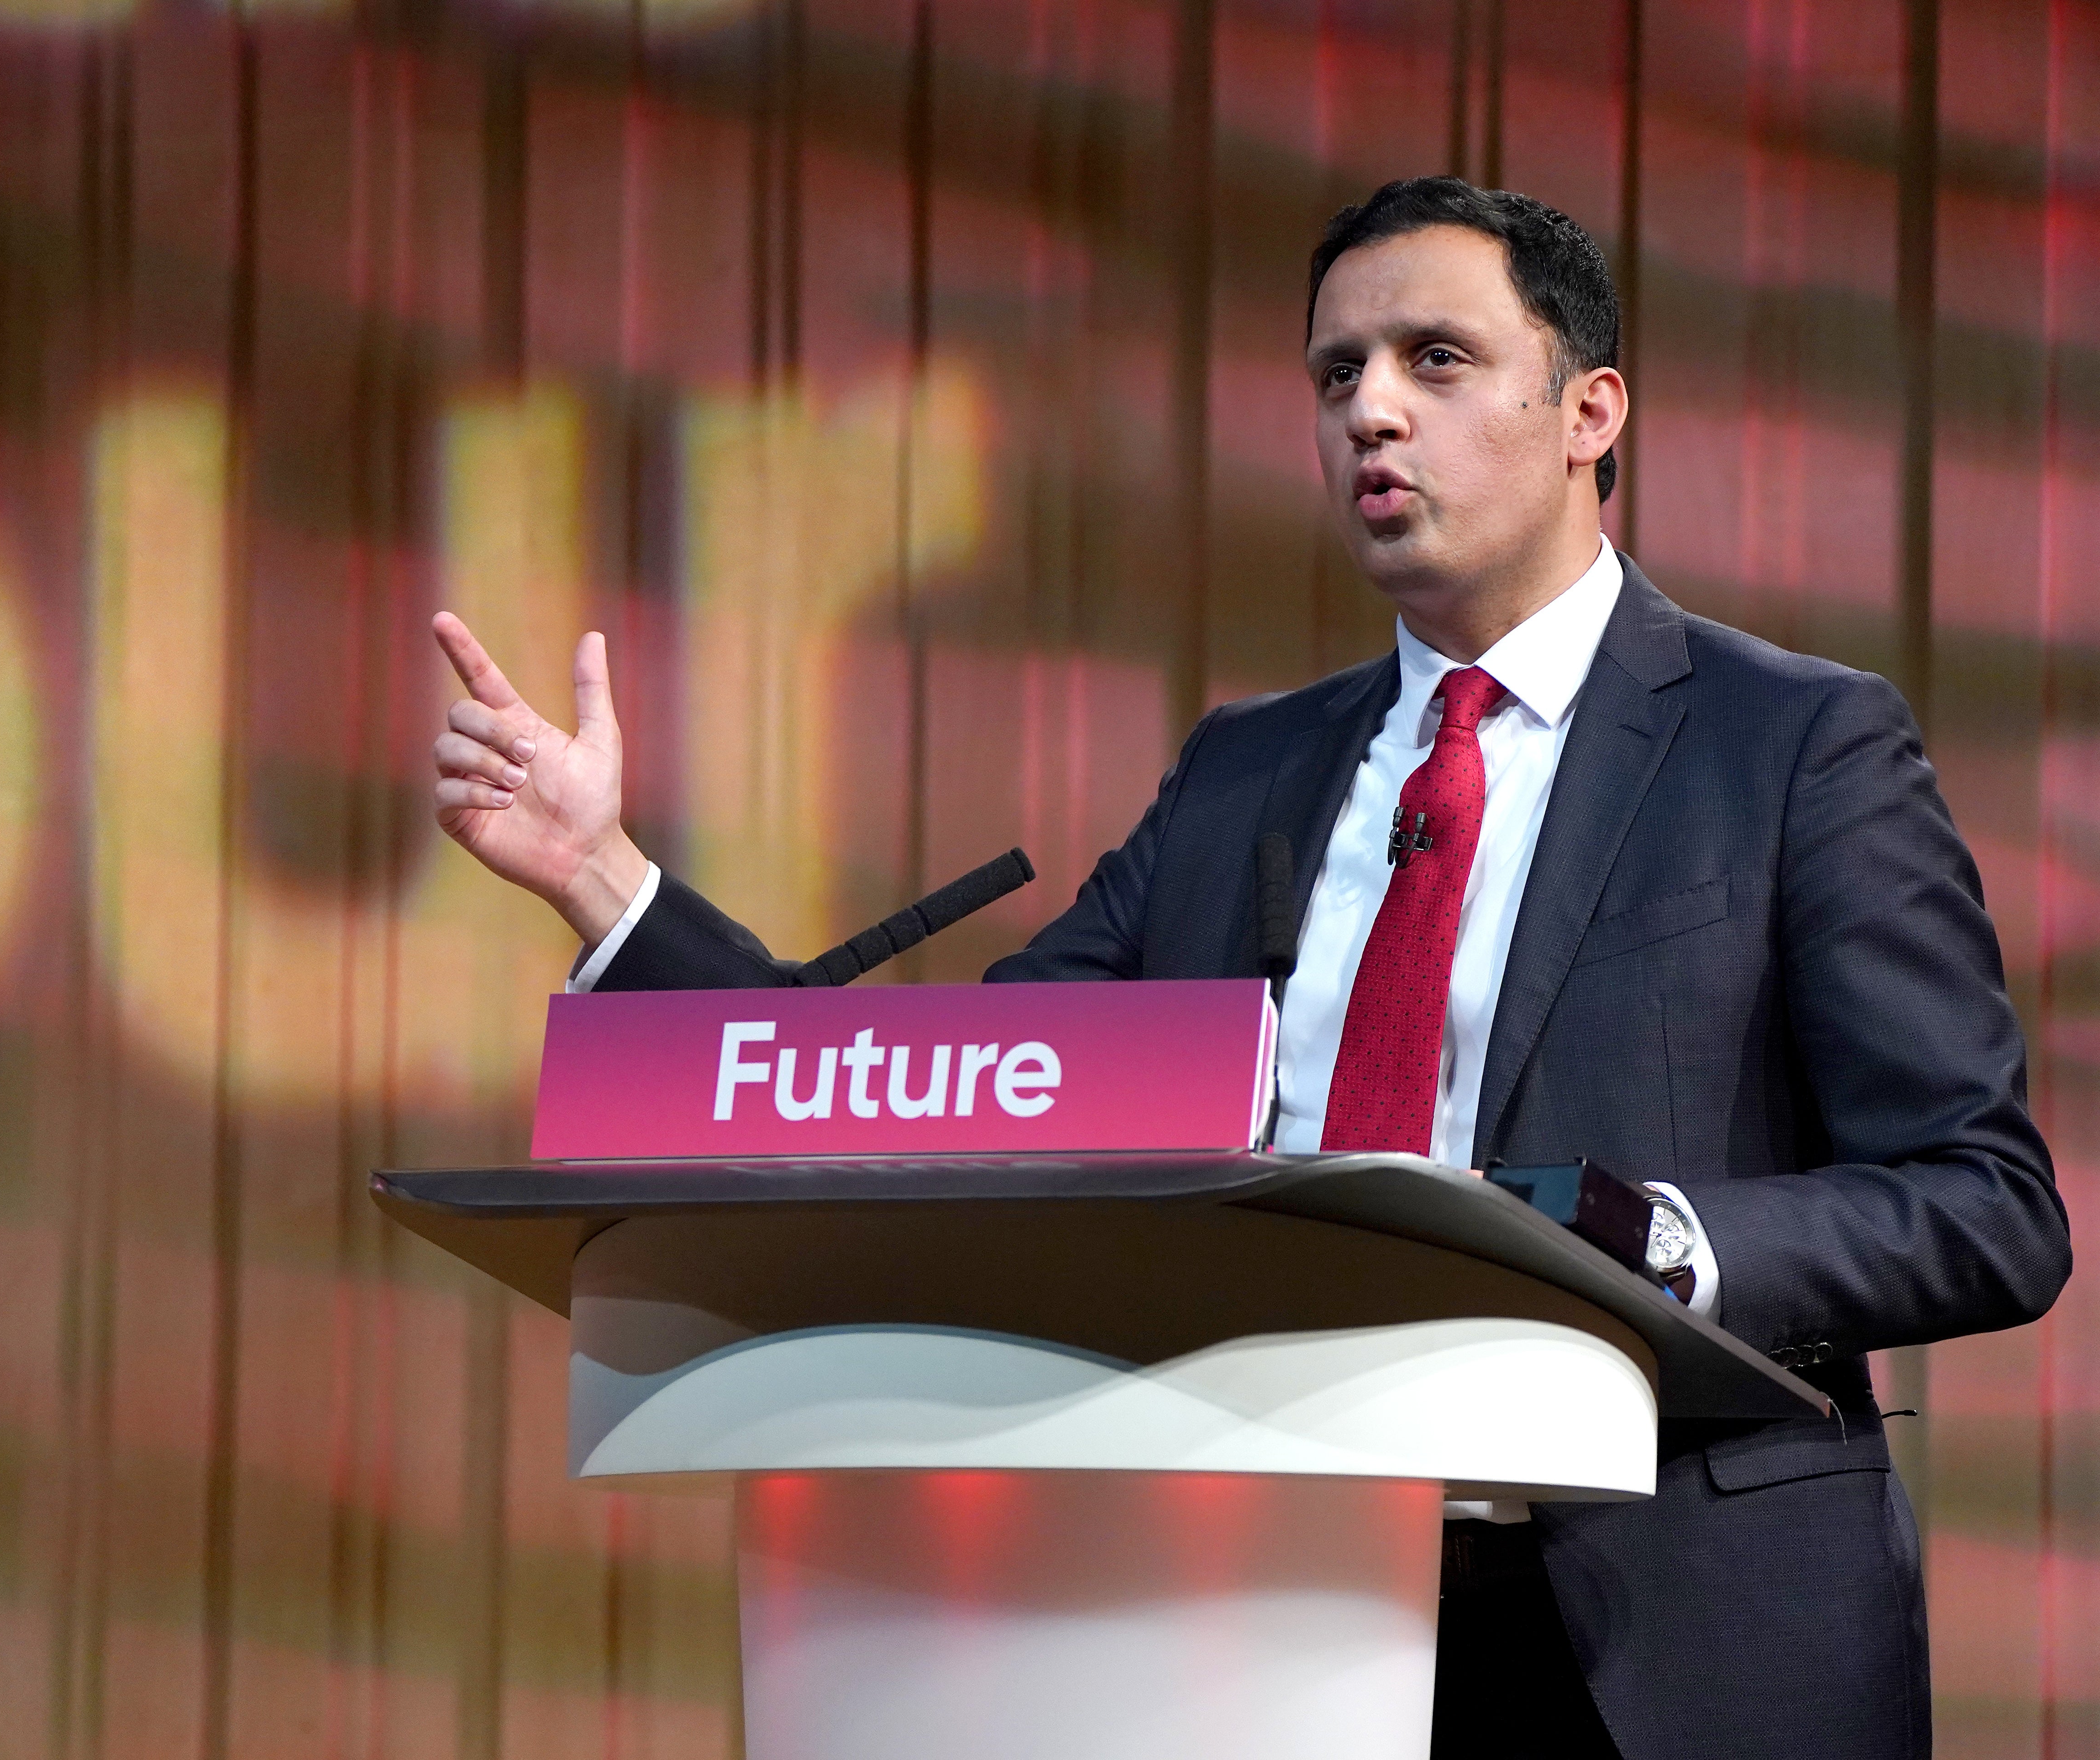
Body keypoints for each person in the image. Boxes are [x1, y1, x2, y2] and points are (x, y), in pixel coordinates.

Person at [424, 175, 2068, 1759]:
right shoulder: (1245, 775)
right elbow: (954, 1104)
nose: (1370, 410)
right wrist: (603, 880)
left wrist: (1663, 1238)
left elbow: (1983, 1204)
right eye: (1336, 372)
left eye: (1436, 361)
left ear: (1591, 412)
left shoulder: (1790, 744)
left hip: (1659, 1624)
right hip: (1255, 1613)